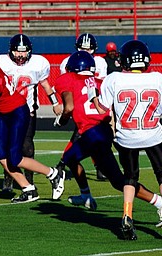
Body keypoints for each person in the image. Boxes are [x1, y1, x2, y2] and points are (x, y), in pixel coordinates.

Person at [55, 51, 162, 239]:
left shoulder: (67, 78)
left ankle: (85, 194)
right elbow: (108, 110)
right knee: (118, 180)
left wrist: (62, 120)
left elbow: (70, 107)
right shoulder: (99, 81)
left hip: (92, 133)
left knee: (69, 158)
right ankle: (158, 202)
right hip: (105, 131)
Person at [0, 46, 64, 203]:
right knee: (0, 153)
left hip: (17, 113)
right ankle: (28, 189)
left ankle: (53, 174)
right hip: (3, 113)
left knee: (15, 158)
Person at [88, 39, 162, 240]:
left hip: (126, 136)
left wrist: (92, 97)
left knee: (130, 177)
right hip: (153, 134)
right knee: (161, 174)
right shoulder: (158, 78)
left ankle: (127, 215)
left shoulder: (114, 79)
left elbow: (102, 110)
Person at [0, 34, 63, 193]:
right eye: (17, 51)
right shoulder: (2, 63)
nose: (20, 55)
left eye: (24, 51)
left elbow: (46, 85)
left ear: (29, 51)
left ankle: (29, 180)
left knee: (26, 147)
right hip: (6, 110)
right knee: (7, 147)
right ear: (11, 51)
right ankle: (9, 179)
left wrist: (55, 103)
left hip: (27, 111)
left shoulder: (38, 63)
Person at [58, 32, 108, 181]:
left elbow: (101, 86)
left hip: (93, 105)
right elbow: (67, 87)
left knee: (84, 136)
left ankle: (62, 164)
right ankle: (65, 164)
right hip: (79, 104)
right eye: (82, 48)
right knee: (84, 136)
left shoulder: (100, 62)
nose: (86, 52)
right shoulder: (68, 61)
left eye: (89, 49)